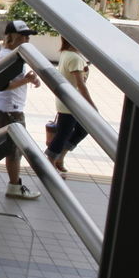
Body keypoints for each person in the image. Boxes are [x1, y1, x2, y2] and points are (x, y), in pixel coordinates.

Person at [0, 21, 42, 200]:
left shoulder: (10, 54)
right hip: (10, 110)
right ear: (14, 37)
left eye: (28, 36)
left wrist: (28, 79)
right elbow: (3, 85)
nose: (27, 39)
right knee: (14, 150)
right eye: (24, 35)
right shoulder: (10, 57)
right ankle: (14, 186)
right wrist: (26, 81)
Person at [43, 34, 95, 174]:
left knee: (79, 130)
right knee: (64, 133)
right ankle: (50, 161)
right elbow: (81, 85)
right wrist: (91, 105)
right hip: (71, 104)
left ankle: (59, 157)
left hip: (68, 101)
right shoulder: (74, 58)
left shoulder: (67, 54)